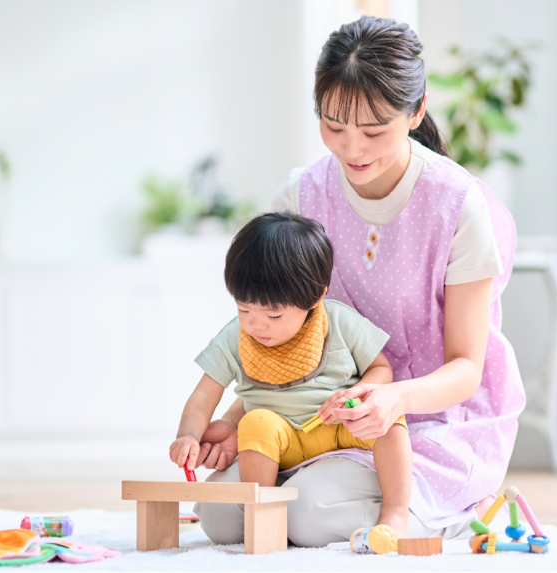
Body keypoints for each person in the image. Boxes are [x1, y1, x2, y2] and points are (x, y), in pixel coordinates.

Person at [193, 15, 525, 546]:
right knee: (222, 515)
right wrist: (237, 420)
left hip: (429, 419)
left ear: (416, 111)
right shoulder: (301, 196)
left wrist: (393, 400)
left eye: (373, 131)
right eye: (334, 127)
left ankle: (467, 507)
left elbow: (467, 368)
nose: (352, 150)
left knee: (310, 512)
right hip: (311, 416)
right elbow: (280, 334)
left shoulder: (459, 205)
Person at [170, 213, 412, 536]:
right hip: (279, 443)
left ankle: (396, 512)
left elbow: (381, 369)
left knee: (391, 418)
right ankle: (262, 518)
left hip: (339, 427)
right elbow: (203, 396)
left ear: (315, 297)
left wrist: (357, 394)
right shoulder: (235, 338)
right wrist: (188, 435)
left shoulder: (339, 321)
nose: (256, 324)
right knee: (255, 422)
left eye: (273, 315)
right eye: (243, 309)